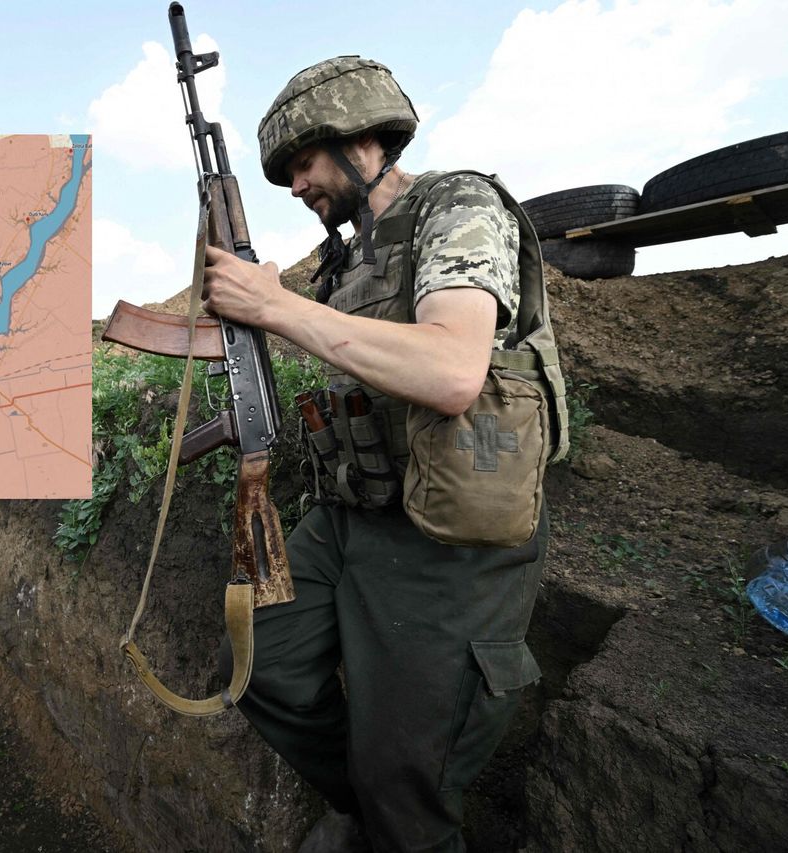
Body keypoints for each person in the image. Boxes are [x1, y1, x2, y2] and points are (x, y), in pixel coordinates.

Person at [204, 57, 565, 852]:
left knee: (411, 785)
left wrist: (277, 305)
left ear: (359, 137)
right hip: (353, 514)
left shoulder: (458, 205)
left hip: (451, 540)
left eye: (302, 163)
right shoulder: (346, 259)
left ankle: (398, 815)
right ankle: (370, 801)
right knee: (258, 661)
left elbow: (451, 369)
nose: (297, 186)